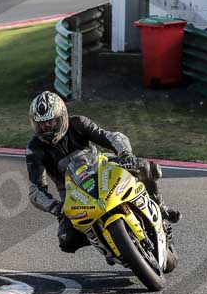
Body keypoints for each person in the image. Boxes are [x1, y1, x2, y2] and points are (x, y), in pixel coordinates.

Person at [26, 90, 181, 254]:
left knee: (146, 168)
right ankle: (103, 241)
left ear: (62, 117)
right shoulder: (35, 148)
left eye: (51, 121)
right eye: (41, 123)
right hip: (72, 193)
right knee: (67, 239)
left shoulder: (78, 123)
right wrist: (56, 208)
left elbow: (111, 136)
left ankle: (160, 208)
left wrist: (125, 154)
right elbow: (35, 189)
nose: (47, 127)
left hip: (102, 167)